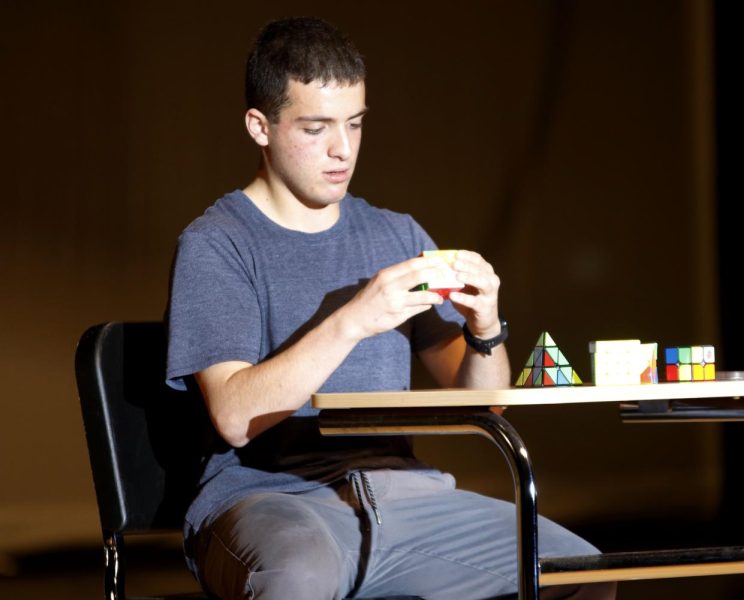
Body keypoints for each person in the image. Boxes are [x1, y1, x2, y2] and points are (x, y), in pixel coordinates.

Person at [166, 16, 615, 600]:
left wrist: (484, 328)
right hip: (274, 497)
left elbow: (482, 402)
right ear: (260, 126)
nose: (342, 149)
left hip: (405, 498)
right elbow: (233, 415)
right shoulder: (218, 243)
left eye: (354, 124)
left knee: (581, 575)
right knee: (295, 578)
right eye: (315, 127)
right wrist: (353, 319)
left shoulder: (396, 235)